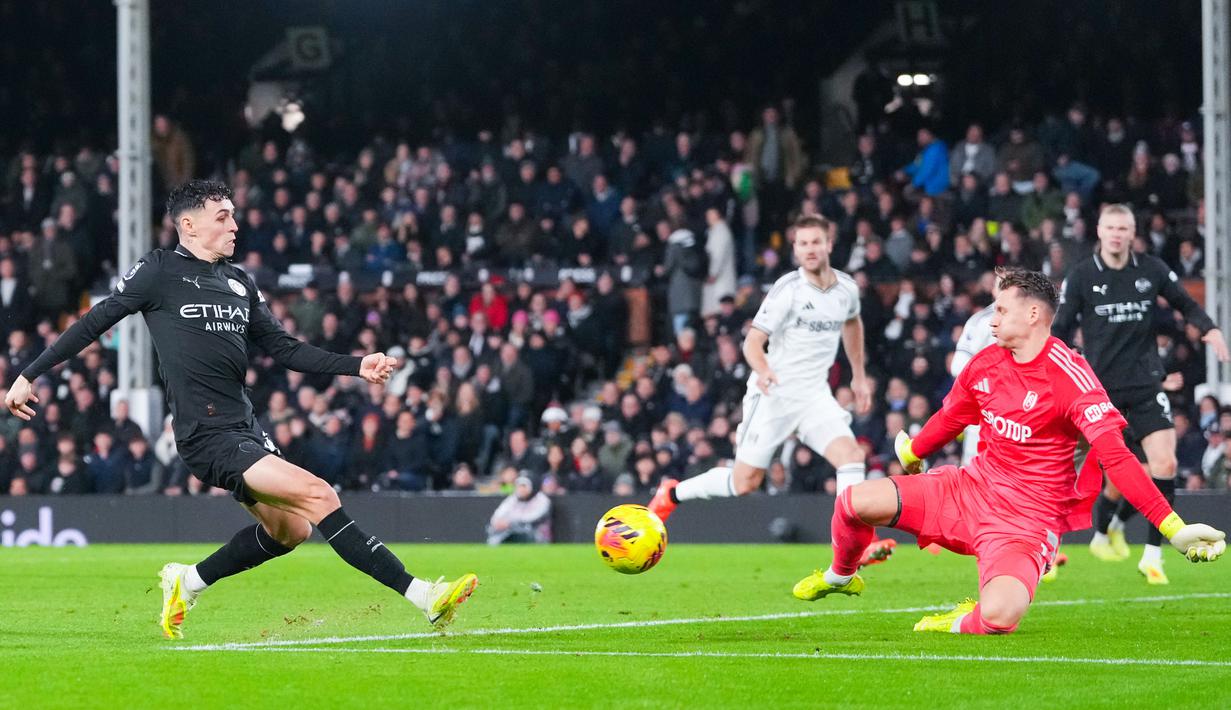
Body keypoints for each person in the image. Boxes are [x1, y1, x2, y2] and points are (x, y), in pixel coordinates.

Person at [3, 180, 477, 639]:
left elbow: (286, 349)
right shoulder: (160, 271)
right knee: (318, 494)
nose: (235, 226)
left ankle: (187, 582)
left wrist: (358, 366)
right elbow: (94, 321)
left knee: (290, 531)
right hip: (204, 433)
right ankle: (424, 595)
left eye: (233, 215)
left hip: (245, 428)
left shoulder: (238, 281)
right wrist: (29, 374)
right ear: (188, 225)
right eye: (222, 217)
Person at [792, 269, 1225, 634]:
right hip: (968, 491)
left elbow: (1117, 458)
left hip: (1027, 522)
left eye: (1000, 310)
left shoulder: (1072, 379)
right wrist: (913, 454)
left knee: (1000, 616)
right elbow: (950, 418)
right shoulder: (986, 363)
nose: (991, 320)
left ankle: (960, 621)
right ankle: (841, 576)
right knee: (852, 501)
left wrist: (1172, 528)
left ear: (1033, 314)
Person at [648, 215, 893, 566]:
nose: (810, 249)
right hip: (774, 396)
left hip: (814, 397)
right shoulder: (787, 291)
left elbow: (852, 325)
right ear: (795, 248)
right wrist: (763, 370)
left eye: (816, 242)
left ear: (829, 245)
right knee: (744, 481)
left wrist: (857, 375)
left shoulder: (846, 289)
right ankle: (672, 493)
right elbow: (752, 342)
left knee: (851, 457)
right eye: (803, 243)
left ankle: (852, 547)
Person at [1053, 204, 1230, 584]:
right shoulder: (1082, 276)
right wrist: (1052, 372)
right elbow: (1061, 328)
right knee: (1100, 477)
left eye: (1124, 228)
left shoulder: (1151, 270)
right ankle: (1061, 542)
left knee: (1164, 466)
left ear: (1132, 233)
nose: (1117, 234)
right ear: (1099, 231)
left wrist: (1209, 328)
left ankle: (1152, 557)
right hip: (1099, 393)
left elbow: (1185, 303)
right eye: (1111, 227)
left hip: (1148, 386)